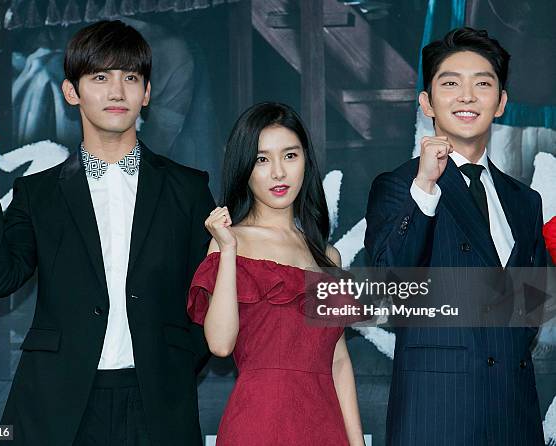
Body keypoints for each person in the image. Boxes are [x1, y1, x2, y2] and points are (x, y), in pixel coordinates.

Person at [0, 20, 213, 446]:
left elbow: (207, 295)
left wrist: (173, 358)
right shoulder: (39, 192)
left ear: (147, 93)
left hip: (157, 401)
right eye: (100, 77)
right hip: (59, 401)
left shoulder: (187, 188)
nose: (117, 92)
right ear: (71, 91)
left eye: (130, 78)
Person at [364, 27, 547, 445]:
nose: (467, 96)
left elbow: (530, 309)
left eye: (482, 83)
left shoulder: (525, 201)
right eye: (450, 83)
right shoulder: (400, 187)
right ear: (426, 101)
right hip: (439, 414)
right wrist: (425, 186)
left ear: (500, 102)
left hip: (514, 415)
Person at [187, 102, 365, 445]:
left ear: (305, 162)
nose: (279, 173)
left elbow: (339, 361)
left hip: (325, 426)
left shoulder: (328, 256)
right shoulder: (231, 243)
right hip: (259, 424)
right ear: (245, 168)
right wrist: (227, 249)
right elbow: (220, 344)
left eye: (290, 155)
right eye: (262, 159)